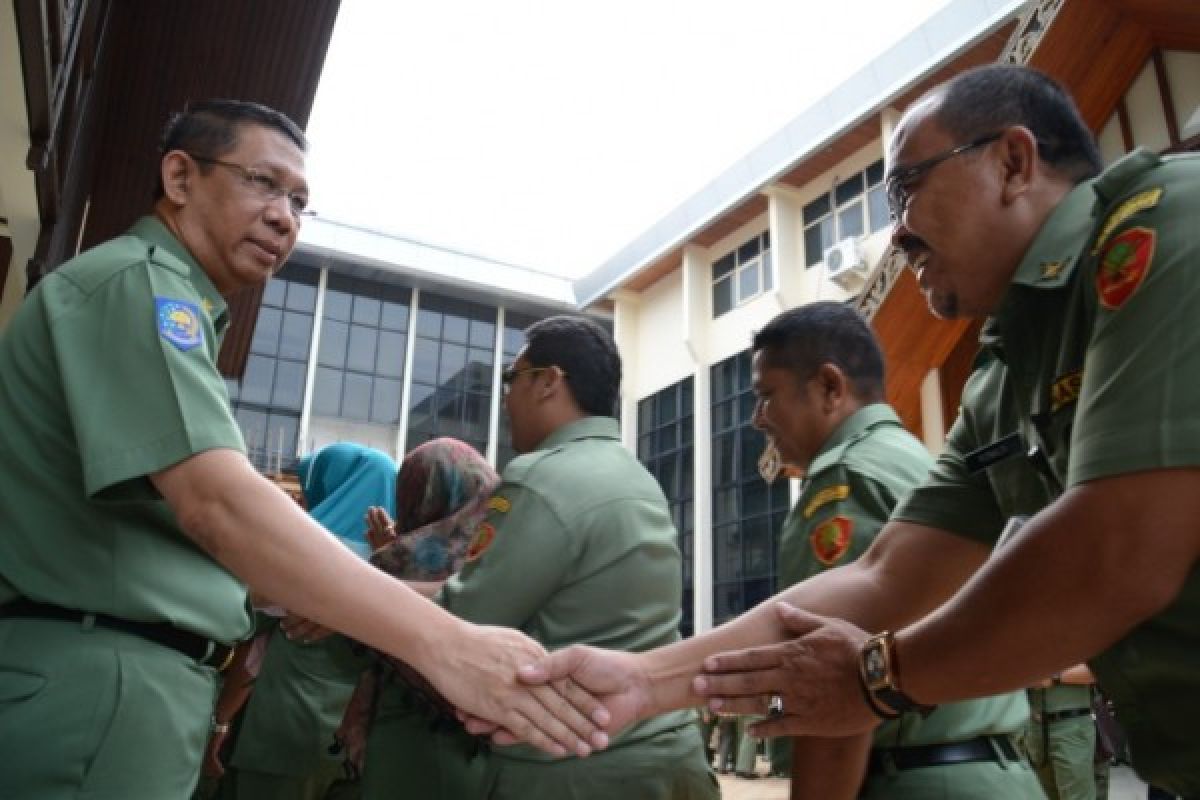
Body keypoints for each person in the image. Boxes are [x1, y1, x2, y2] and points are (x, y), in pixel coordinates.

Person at [507, 64, 1200, 797]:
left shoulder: (1167, 220)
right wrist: (645, 681)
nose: (895, 231)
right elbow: (884, 576)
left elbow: (1123, 544)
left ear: (1013, 162)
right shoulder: (1003, 377)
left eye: (906, 189)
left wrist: (879, 676)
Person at [0, 99, 603, 799]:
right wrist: (447, 644)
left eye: (298, 200)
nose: (284, 216)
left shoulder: (164, 298)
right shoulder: (143, 287)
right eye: (262, 181)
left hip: (125, 676)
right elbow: (218, 505)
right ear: (180, 177)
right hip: (102, 679)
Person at [753, 303, 1041, 798]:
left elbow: (836, 682)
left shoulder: (846, 479)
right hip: (988, 770)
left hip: (912, 778)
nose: (758, 418)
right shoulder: (914, 459)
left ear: (829, 386)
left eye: (766, 395)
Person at [442, 315, 718, 799]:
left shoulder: (542, 477)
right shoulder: (636, 477)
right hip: (669, 753)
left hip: (577, 769)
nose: (506, 398)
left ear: (549, 381)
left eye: (513, 378)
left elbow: (463, 619)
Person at [204, 442, 398, 800]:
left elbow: (253, 653)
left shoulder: (296, 556)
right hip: (354, 746)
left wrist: (221, 721)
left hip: (282, 736)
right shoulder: (401, 565)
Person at [342, 437, 501, 800]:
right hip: (486, 753)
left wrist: (390, 556)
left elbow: (361, 633)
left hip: (415, 745)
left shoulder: (401, 565)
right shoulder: (502, 557)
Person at [1026, 664, 1105, 800]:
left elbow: (1098, 672)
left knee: (1078, 796)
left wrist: (1054, 677)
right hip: (1035, 728)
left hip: (1072, 725)